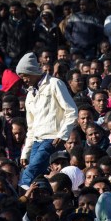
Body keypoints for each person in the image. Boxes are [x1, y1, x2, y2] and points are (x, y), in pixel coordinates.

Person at [16, 52, 79, 189]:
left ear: (32, 72)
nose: (24, 80)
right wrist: (25, 152)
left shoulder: (54, 84)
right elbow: (31, 128)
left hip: (51, 138)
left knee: (29, 173)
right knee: (37, 175)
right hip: (37, 141)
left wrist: (62, 134)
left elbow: (72, 111)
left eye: (25, 76)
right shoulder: (29, 95)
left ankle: (20, 194)